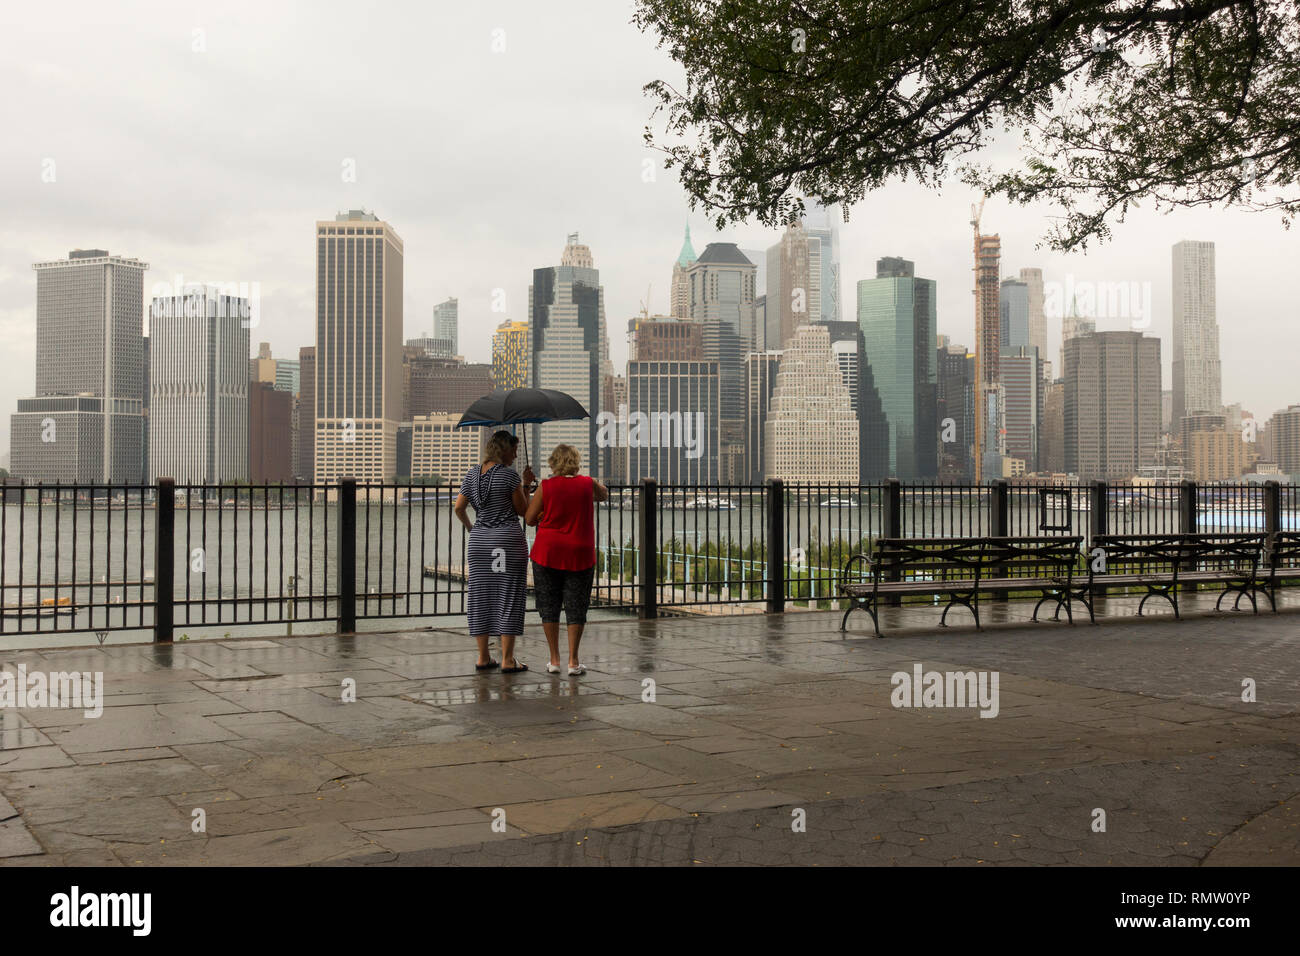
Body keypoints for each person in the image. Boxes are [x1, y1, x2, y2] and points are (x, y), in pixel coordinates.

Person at [455, 430, 535, 673]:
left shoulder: (471, 475)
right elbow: (523, 511)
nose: (516, 454)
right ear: (503, 450)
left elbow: (459, 508)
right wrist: (527, 485)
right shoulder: (510, 477)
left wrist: (473, 529)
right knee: (508, 596)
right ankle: (508, 660)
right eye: (514, 450)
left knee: (480, 597)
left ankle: (483, 657)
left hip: (480, 543)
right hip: (507, 541)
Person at [525, 443, 608, 676]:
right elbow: (603, 495)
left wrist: (544, 514)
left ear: (553, 463)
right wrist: (591, 483)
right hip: (579, 553)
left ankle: (554, 660)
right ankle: (573, 661)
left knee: (549, 606)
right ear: (575, 461)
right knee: (576, 606)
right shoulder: (587, 483)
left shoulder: (546, 486)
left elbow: (530, 518)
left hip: (547, 552)